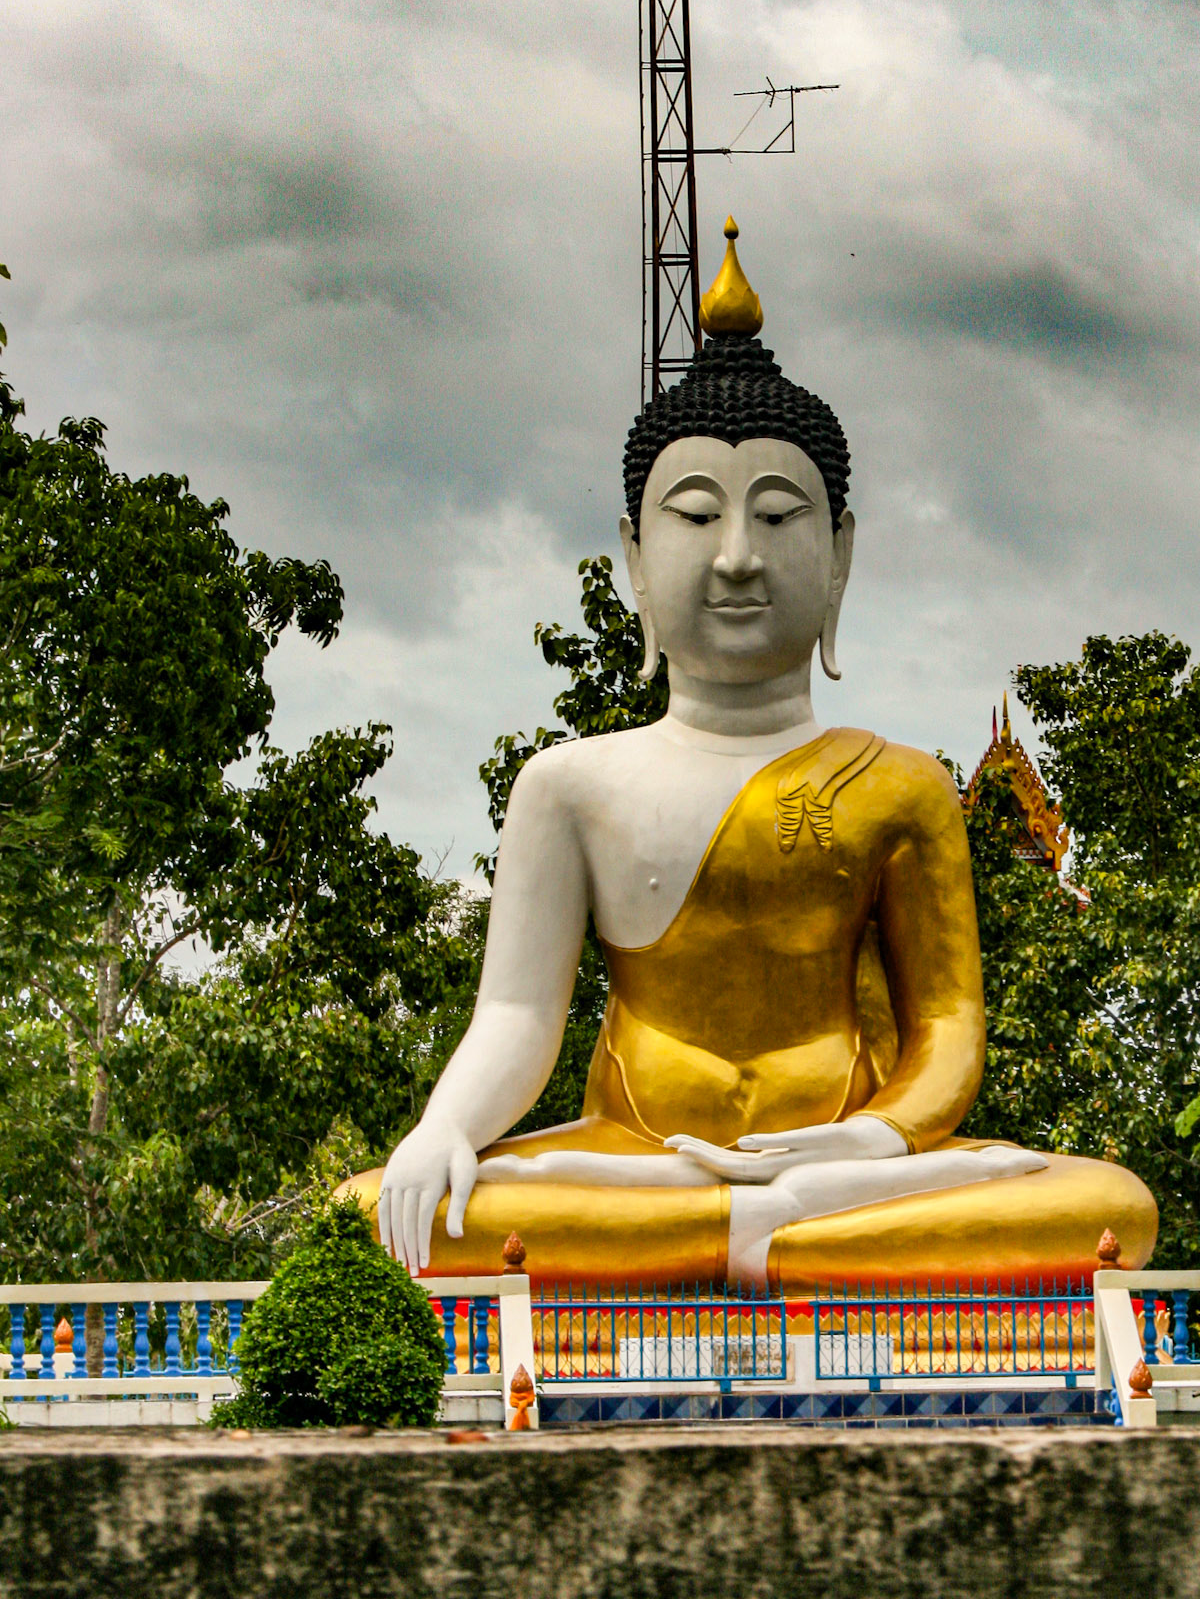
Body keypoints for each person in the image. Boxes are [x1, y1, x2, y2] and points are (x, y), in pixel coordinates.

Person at [345, 224, 1157, 1289]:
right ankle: (764, 1232)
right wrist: (444, 1124)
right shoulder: (569, 783)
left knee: (1107, 1206)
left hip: (846, 1156)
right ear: (635, 554)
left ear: (840, 555)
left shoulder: (900, 786)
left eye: (780, 516)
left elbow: (949, 1037)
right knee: (381, 1202)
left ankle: (766, 1218)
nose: (736, 554)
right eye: (694, 516)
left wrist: (863, 1143)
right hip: (639, 1154)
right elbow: (516, 1016)